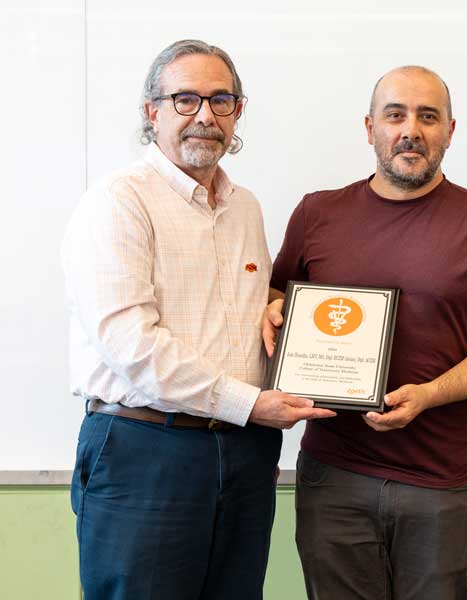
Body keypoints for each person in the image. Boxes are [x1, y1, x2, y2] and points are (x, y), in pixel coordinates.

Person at [61, 39, 334, 600]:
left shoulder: (246, 207)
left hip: (246, 453)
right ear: (152, 110)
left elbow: (232, 316)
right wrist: (251, 403)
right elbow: (131, 343)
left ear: (238, 112)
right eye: (185, 99)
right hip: (145, 450)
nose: (205, 115)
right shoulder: (118, 201)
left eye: (220, 99)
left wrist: (277, 312)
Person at [267, 65, 467, 600]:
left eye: (428, 116)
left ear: (450, 131)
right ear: (370, 128)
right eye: (396, 115)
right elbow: (278, 298)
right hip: (333, 473)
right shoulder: (317, 213)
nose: (411, 130)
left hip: (440, 479)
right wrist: (273, 313)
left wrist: (429, 395)